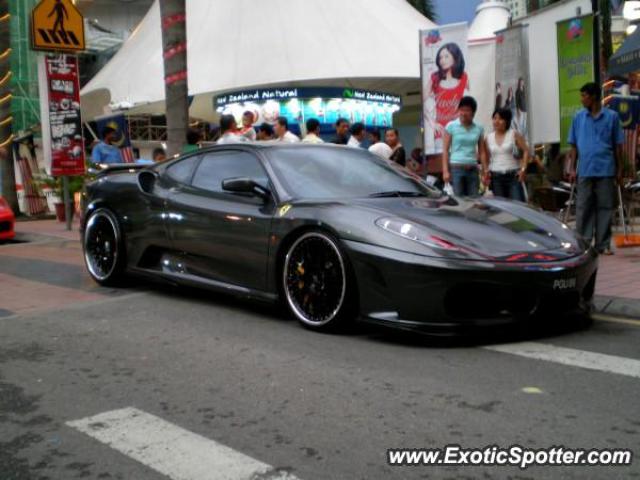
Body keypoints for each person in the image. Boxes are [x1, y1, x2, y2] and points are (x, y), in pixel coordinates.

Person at [568, 82, 624, 255]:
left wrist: (620, 169)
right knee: (583, 207)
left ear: (593, 97)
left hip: (606, 168)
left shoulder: (612, 117)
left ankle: (603, 244)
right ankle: (584, 243)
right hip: (585, 169)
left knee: (605, 207)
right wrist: (571, 168)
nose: (581, 99)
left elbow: (618, 146)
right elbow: (574, 146)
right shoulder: (578, 117)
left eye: (584, 96)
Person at [424, 43, 469, 151]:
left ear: (455, 57)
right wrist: (432, 122)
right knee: (442, 162)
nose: (442, 60)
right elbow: (422, 101)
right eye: (440, 57)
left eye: (446, 56)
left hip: (459, 130)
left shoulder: (464, 77)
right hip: (441, 132)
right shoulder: (435, 78)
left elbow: (469, 102)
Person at [442, 96, 488, 197]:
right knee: (459, 201)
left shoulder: (479, 128)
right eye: (461, 109)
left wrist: (485, 170)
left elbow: (482, 152)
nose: (463, 113)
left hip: (473, 169)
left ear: (473, 113)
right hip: (456, 169)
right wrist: (445, 171)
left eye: (467, 110)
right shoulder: (451, 126)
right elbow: (445, 150)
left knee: (474, 200)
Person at [485, 108, 530, 201]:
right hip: (496, 177)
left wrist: (523, 169)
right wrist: (485, 172)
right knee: (501, 208)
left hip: (513, 175)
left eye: (500, 119)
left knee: (518, 205)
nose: (497, 121)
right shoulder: (488, 137)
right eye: (494, 118)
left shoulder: (513, 134)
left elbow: (526, 150)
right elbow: (486, 157)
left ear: (507, 121)